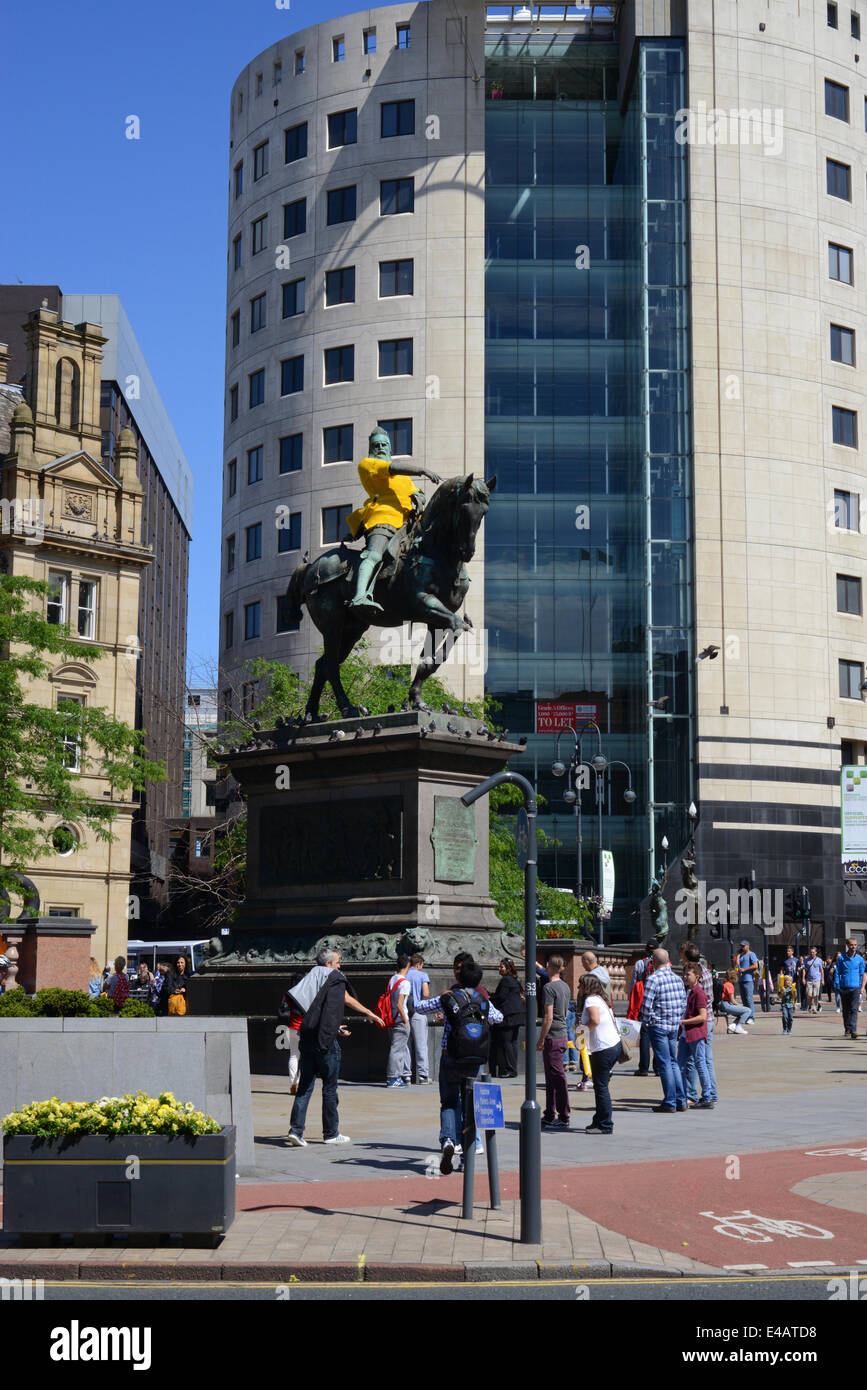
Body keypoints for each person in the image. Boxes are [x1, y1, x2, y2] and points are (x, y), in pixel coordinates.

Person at [286, 948, 386, 1146]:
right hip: (326, 1043)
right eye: (338, 961)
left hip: (307, 1038)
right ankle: (331, 1133)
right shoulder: (334, 977)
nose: (340, 965)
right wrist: (369, 1013)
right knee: (330, 1089)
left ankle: (296, 1131)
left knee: (305, 1087)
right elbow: (344, 1000)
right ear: (329, 964)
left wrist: (334, 1028)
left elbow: (310, 1009)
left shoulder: (309, 977)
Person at [414, 958, 503, 1173]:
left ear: (458, 977)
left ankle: (448, 1142)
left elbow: (419, 1007)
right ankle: (466, 1156)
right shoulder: (482, 999)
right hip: (474, 1059)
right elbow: (498, 1018)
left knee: (449, 1102)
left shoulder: (449, 997)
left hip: (450, 1056)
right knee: (469, 1105)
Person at [346, 426, 442, 615]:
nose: (381, 448)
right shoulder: (368, 464)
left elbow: (415, 491)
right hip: (383, 518)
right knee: (374, 555)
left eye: (384, 444)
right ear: (370, 448)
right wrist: (422, 470)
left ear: (390, 448)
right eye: (376, 445)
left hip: (410, 523)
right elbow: (393, 467)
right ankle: (359, 596)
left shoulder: (403, 478)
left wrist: (419, 497)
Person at [639, 948, 687, 1113]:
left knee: (664, 1063)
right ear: (668, 960)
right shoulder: (678, 979)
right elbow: (683, 1004)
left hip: (658, 1025)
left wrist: (648, 1021)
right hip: (673, 1026)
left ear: (653, 961)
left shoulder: (653, 979)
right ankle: (681, 1100)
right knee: (673, 1061)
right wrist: (676, 1020)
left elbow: (645, 1006)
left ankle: (670, 1101)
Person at [578, 975, 622, 1134]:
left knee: (601, 1086)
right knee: (600, 1084)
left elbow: (595, 1021)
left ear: (587, 986)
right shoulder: (600, 999)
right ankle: (598, 1120)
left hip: (604, 1049)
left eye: (580, 985)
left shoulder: (591, 1000)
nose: (578, 989)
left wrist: (582, 1030)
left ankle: (605, 1124)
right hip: (612, 1046)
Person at [679, 942, 718, 1107]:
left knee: (697, 1062)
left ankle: (699, 1095)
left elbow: (701, 1010)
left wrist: (683, 1021)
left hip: (699, 1025)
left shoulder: (697, 990)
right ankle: (710, 1094)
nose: (686, 976)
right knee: (704, 1060)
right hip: (707, 1021)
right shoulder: (707, 972)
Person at [537, 955, 571, 1130]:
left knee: (557, 1077)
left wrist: (541, 1038)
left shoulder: (549, 988)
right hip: (563, 1034)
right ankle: (550, 1113)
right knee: (552, 1078)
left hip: (553, 1036)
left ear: (549, 966)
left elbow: (548, 1016)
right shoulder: (565, 986)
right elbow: (565, 1013)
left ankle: (563, 1115)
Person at [629, 942, 659, 1077]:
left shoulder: (640, 964)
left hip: (643, 1001)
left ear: (646, 950)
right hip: (658, 1003)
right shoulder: (662, 963)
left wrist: (632, 1000)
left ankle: (643, 1068)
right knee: (658, 1037)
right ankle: (658, 1068)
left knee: (645, 1036)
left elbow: (634, 984)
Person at [490, 958, 523, 1078]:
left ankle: (509, 1069)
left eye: (501, 967)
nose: (499, 969)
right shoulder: (513, 980)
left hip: (508, 1015)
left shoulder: (505, 980)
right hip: (517, 1014)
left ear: (508, 969)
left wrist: (490, 999)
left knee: (506, 1042)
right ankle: (513, 1068)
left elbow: (501, 997)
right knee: (513, 1042)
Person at [385, 954, 413, 1088]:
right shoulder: (405, 982)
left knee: (396, 1048)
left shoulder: (392, 979)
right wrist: (405, 1020)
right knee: (398, 1050)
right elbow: (400, 1004)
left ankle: (396, 1077)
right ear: (408, 966)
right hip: (400, 1019)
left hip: (391, 1018)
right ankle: (393, 1078)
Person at [835, 938, 867, 1039]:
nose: (854, 947)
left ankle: (853, 1030)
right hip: (844, 987)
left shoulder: (860, 959)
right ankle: (847, 1029)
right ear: (847, 945)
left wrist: (862, 987)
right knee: (846, 1010)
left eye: (855, 945)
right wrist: (837, 985)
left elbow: (862, 974)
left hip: (855, 988)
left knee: (854, 1009)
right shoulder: (841, 958)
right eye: (852, 945)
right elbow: (837, 973)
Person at [406, 953, 431, 1084]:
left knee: (406, 1045)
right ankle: (423, 1075)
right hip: (418, 1010)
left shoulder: (403, 974)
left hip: (403, 1011)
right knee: (421, 1044)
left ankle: (406, 1075)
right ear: (419, 964)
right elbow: (426, 993)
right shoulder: (422, 975)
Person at [735, 940, 758, 1023]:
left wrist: (745, 969)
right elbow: (737, 965)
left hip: (748, 980)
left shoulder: (752, 954)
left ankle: (751, 1018)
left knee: (749, 999)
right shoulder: (741, 955)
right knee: (744, 1000)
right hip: (741, 980)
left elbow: (755, 965)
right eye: (741, 946)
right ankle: (746, 1016)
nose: (742, 947)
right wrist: (738, 954)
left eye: (744, 946)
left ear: (748, 946)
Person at [802, 946, 824, 1014]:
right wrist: (803, 978)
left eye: (813, 952)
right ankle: (810, 1005)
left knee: (815, 994)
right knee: (809, 994)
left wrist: (822, 979)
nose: (812, 953)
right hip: (809, 980)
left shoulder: (819, 960)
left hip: (817, 979)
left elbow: (821, 970)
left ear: (816, 953)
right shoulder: (806, 960)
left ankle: (814, 1008)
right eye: (811, 952)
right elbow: (804, 970)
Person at [778, 970, 797, 1034]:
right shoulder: (782, 988)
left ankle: (789, 1029)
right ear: (784, 982)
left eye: (790, 981)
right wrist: (782, 991)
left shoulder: (793, 988)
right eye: (787, 980)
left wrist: (794, 992)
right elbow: (780, 996)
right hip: (784, 1004)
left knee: (791, 1018)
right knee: (785, 1017)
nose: (788, 982)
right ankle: (785, 1029)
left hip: (791, 1005)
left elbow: (795, 997)